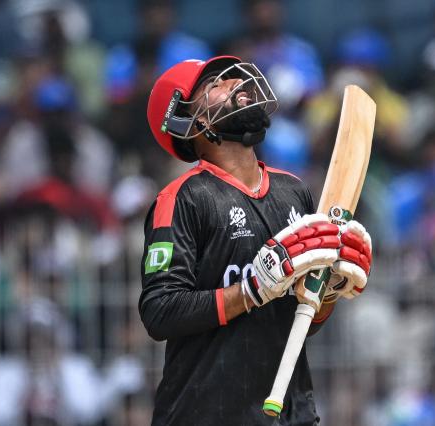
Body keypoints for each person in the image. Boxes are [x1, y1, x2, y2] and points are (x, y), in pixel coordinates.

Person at [139, 56, 374, 425]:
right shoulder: (184, 197)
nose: (236, 84)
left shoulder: (294, 192)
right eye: (215, 83)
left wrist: (326, 293)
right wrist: (250, 289)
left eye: (233, 78)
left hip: (289, 412)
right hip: (203, 414)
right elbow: (160, 310)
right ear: (193, 119)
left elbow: (303, 320)